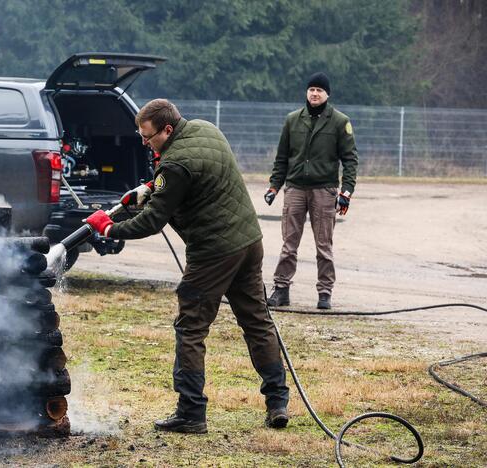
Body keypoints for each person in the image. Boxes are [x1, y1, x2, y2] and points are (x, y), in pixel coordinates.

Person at [85, 99, 290, 433]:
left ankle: (191, 412)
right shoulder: (206, 129)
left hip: (213, 252)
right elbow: (195, 179)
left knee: (191, 328)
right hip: (248, 243)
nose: (144, 143)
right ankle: (277, 402)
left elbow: (153, 221)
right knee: (257, 322)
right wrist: (150, 188)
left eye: (148, 137)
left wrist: (109, 228)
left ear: (167, 129)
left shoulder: (175, 164)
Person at [264, 72, 359, 310]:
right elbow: (282, 158)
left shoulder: (339, 122)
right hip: (295, 188)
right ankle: (281, 289)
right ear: (306, 92)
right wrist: (274, 186)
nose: (314, 93)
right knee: (289, 243)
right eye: (311, 89)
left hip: (324, 190)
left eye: (319, 90)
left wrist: (346, 191)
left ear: (327, 94)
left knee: (323, 245)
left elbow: (350, 160)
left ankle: (325, 292)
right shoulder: (292, 120)